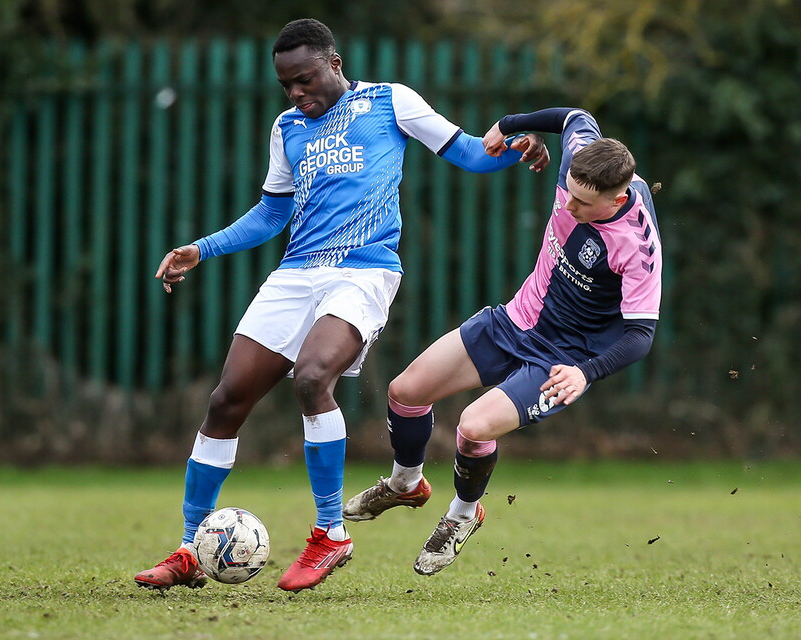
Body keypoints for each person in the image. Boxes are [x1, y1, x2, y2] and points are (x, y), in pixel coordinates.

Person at [134, 18, 549, 594]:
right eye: (286, 85)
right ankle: (187, 547)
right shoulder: (287, 129)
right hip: (296, 274)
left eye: (304, 80)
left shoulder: (389, 102)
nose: (296, 94)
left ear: (333, 63)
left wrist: (515, 151)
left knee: (312, 378)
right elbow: (272, 214)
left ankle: (330, 533)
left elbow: (472, 155)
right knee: (227, 401)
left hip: (365, 271)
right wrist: (201, 249)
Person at [343, 107, 662, 576]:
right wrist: (508, 125)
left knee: (473, 427)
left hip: (560, 360)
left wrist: (584, 372)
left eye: (582, 204)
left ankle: (462, 516)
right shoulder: (583, 157)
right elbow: (574, 114)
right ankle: (405, 483)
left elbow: (641, 335)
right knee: (404, 392)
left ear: (615, 202)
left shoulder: (635, 245)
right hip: (514, 320)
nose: (567, 207)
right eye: (567, 192)